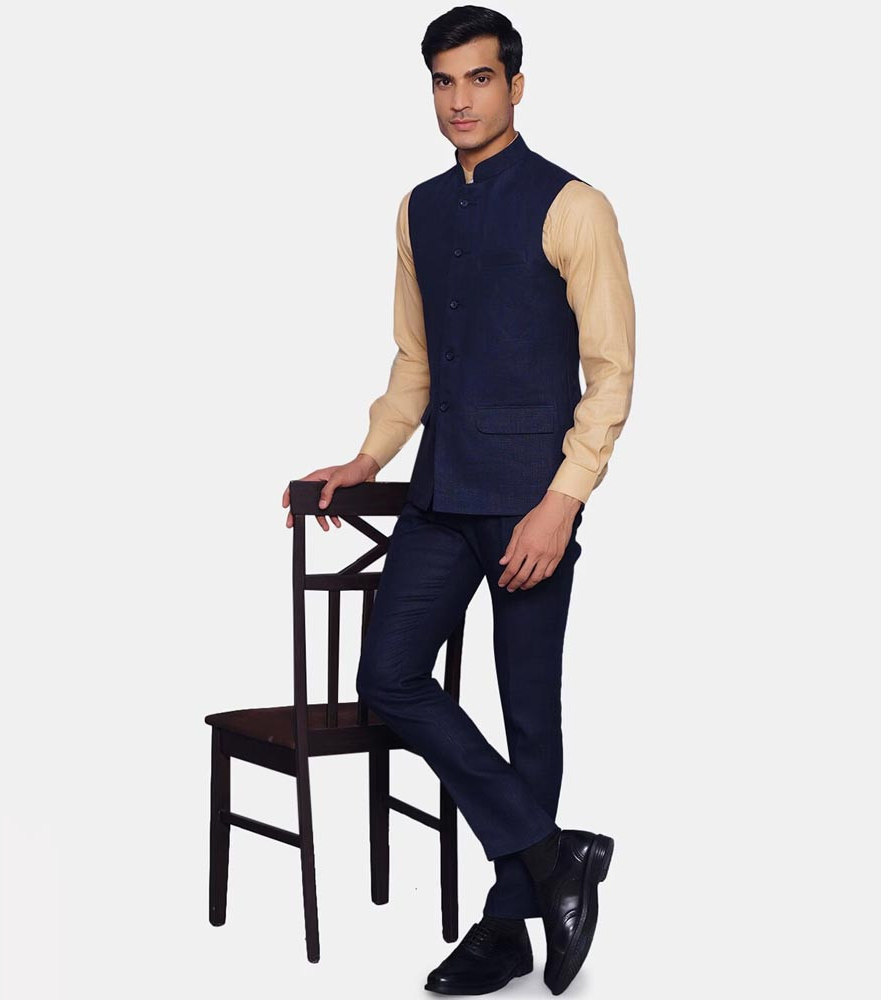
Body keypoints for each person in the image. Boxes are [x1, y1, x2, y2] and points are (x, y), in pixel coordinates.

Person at [283, 6, 635, 994]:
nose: (459, 100)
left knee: (530, 716)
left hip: (530, 502)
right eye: (443, 81)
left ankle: (505, 928)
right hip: (440, 493)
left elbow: (611, 372)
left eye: (479, 79)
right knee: (389, 676)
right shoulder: (418, 209)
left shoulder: (575, 206)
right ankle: (551, 855)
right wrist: (367, 456)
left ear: (515, 86)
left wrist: (561, 503)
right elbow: (415, 361)